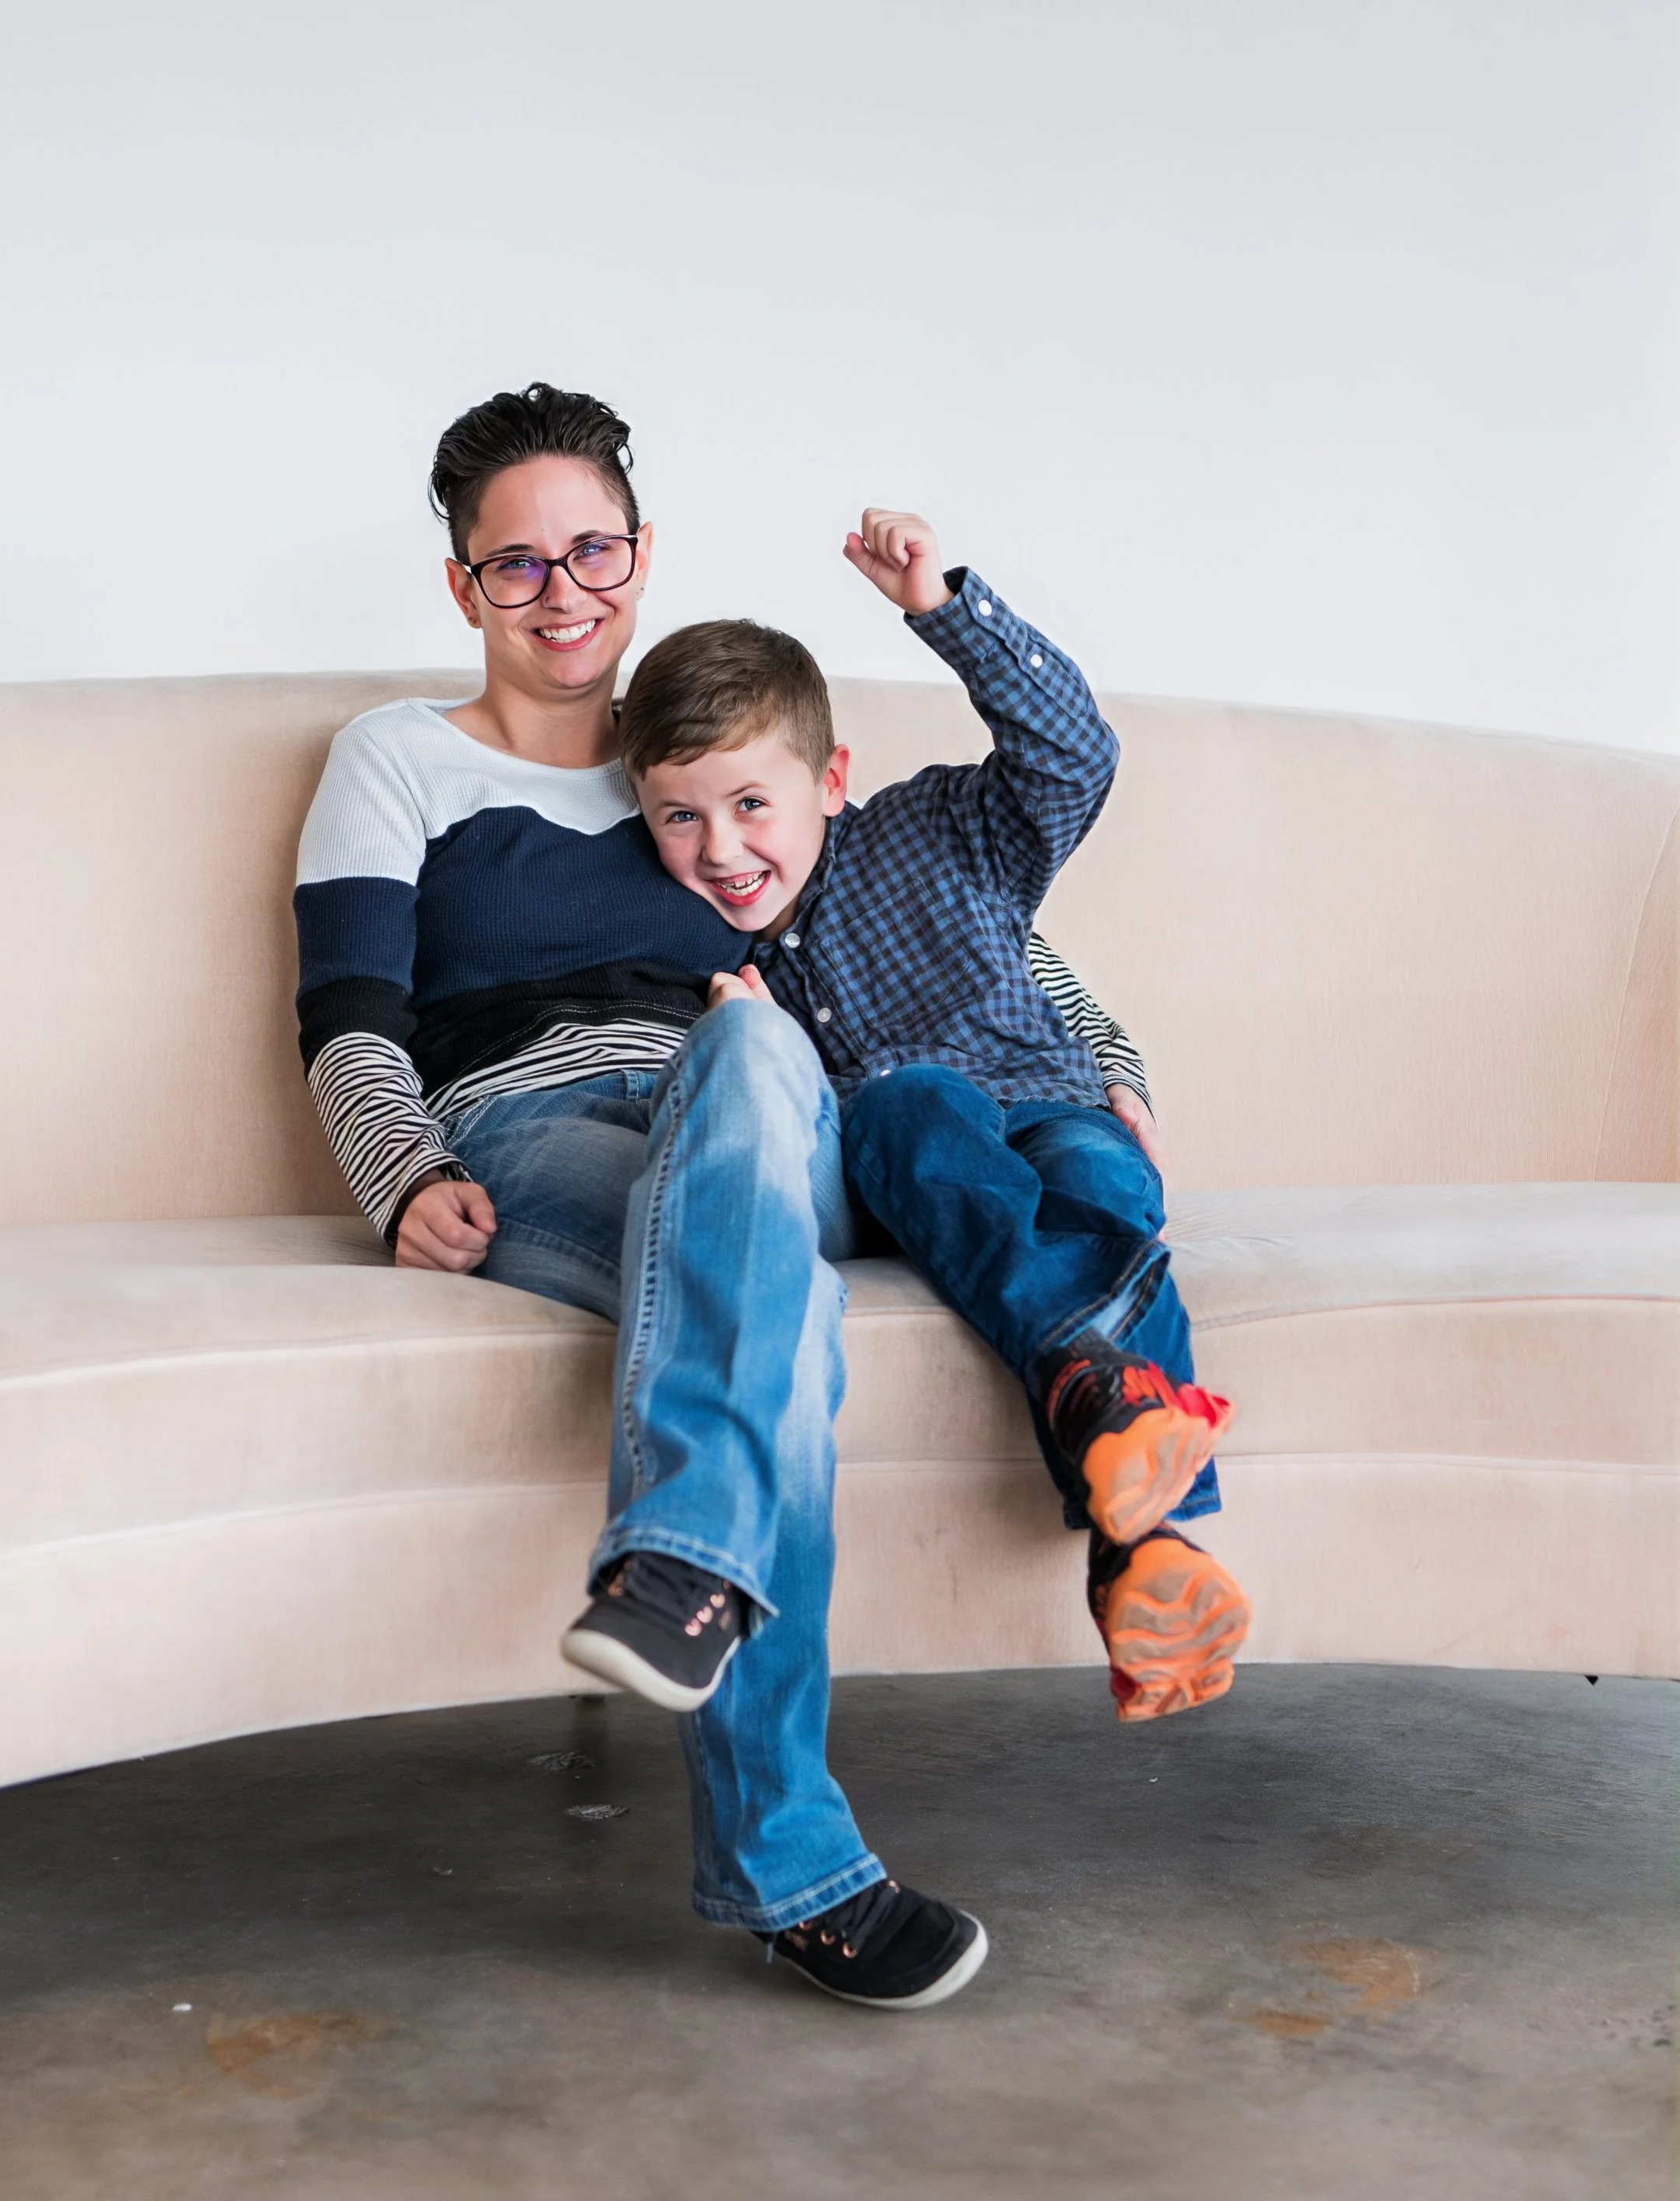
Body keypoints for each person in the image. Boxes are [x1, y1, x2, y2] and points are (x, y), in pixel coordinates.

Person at [294, 385, 1157, 2008]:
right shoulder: (396, 759)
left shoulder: (699, 756)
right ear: (464, 585)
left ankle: (682, 1568)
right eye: (515, 563)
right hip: (536, 1130)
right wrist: (398, 1169)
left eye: (591, 551)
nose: (561, 592)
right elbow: (346, 1007)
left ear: (641, 552)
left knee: (756, 1049)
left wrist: (1107, 1062)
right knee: (775, 1316)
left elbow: (962, 929)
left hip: (762, 1118)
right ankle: (792, 1865)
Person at [604, 508, 1250, 1723]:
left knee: (1108, 1196)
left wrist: (944, 607)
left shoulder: (942, 829)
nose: (722, 849)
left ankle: (1140, 1543)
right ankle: (1132, 1497)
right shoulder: (700, 956)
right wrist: (746, 1040)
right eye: (679, 817)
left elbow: (1076, 755)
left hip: (1055, 1102)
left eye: (751, 804)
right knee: (910, 1106)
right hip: (916, 1148)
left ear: (831, 780)